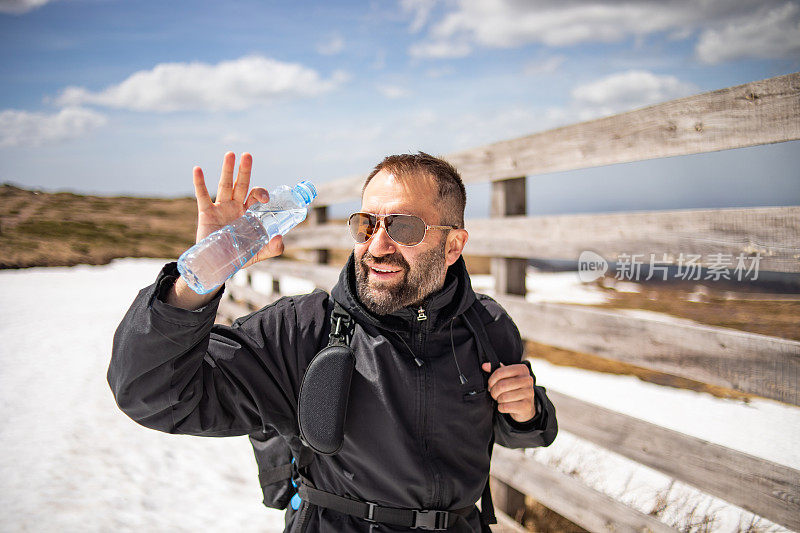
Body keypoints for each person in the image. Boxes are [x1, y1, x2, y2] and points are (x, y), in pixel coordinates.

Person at [108, 151, 557, 532]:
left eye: (402, 227)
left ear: (453, 245)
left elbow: (506, 431)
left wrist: (527, 414)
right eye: (366, 224)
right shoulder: (301, 330)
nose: (377, 245)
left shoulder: (489, 326)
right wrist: (198, 278)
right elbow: (151, 394)